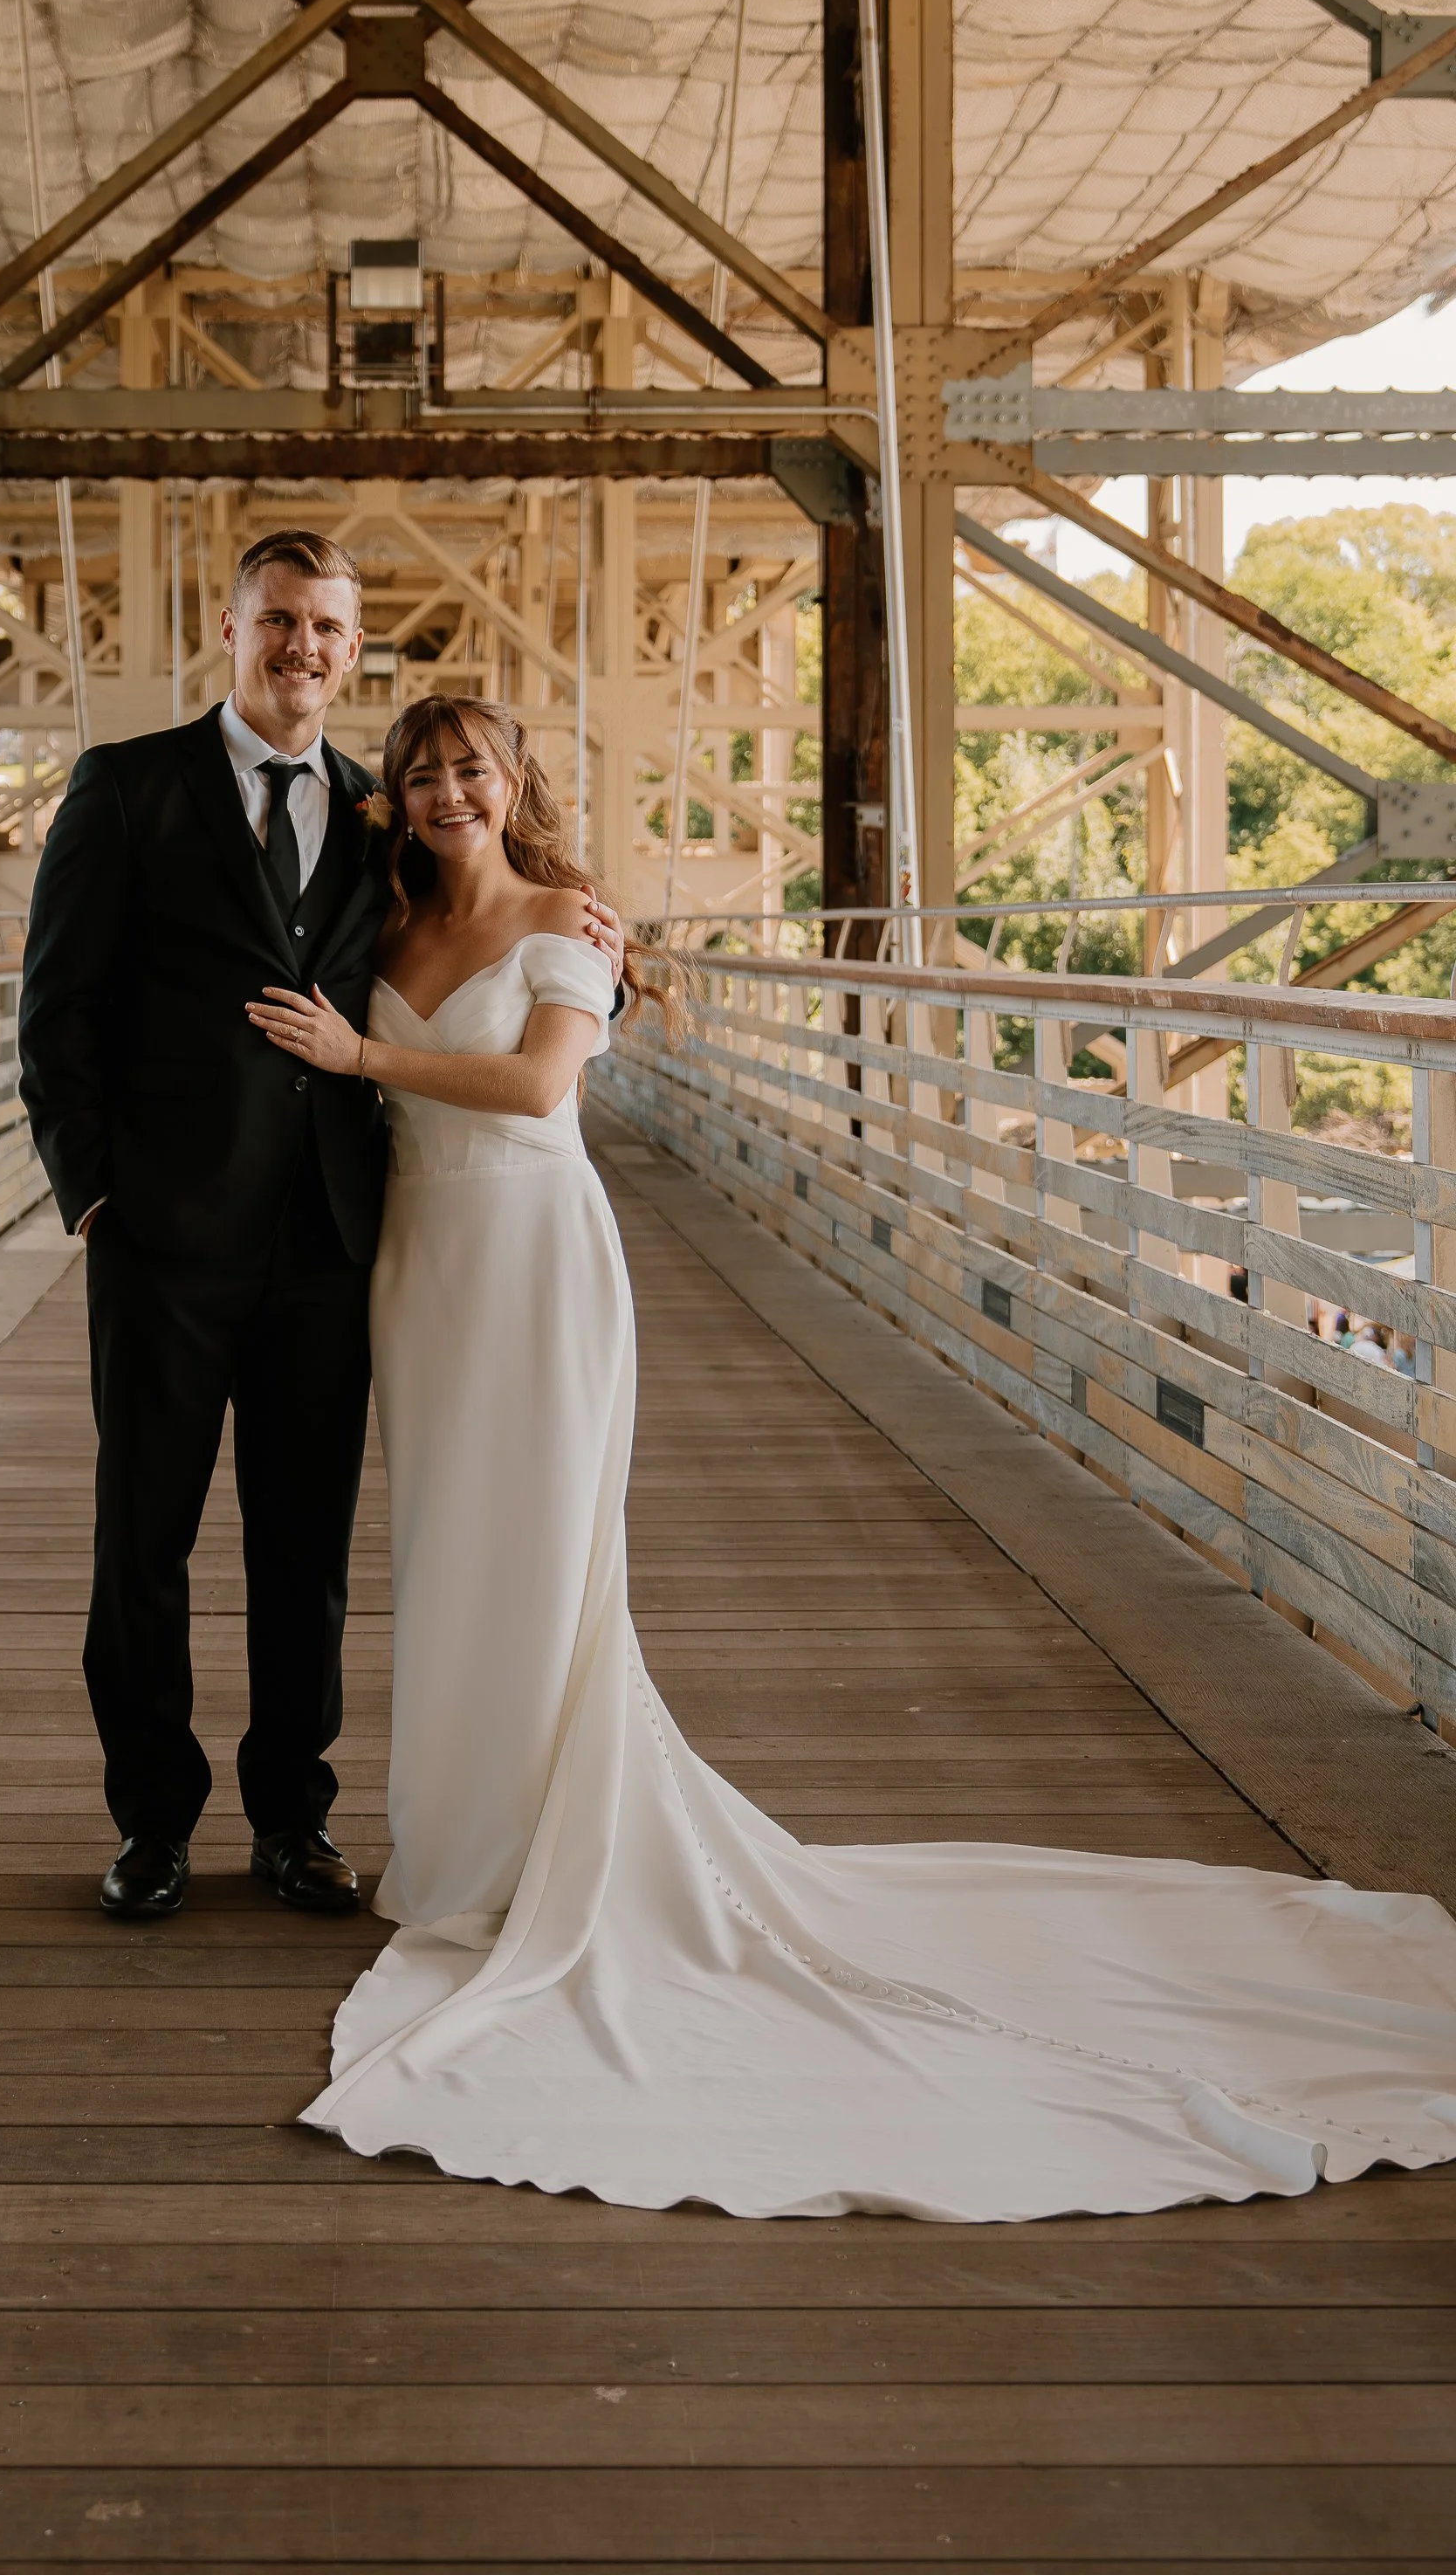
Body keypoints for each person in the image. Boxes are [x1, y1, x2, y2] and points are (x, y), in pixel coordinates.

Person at [247, 694, 1456, 2222]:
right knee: (445, 1552)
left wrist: (363, 1055)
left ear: (515, 781)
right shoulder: (387, 921)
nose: (443, 789)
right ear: (398, 799)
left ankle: (536, 1853)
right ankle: (457, 1851)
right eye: (420, 773)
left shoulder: (570, 921)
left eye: (469, 766)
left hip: (537, 1258)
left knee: (544, 1555)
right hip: (420, 1268)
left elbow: (545, 1086)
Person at [17, 534, 620, 1925]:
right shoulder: (125, 789)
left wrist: (590, 937)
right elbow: (57, 1012)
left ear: (355, 652)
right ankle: (154, 1824)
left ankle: (293, 1821)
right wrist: (93, 1191)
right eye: (279, 621)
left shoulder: (378, 816)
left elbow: (485, 927)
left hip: (334, 1246)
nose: (304, 648)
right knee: (142, 1538)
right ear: (230, 631)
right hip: (162, 1238)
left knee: (306, 1550)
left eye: (330, 629)